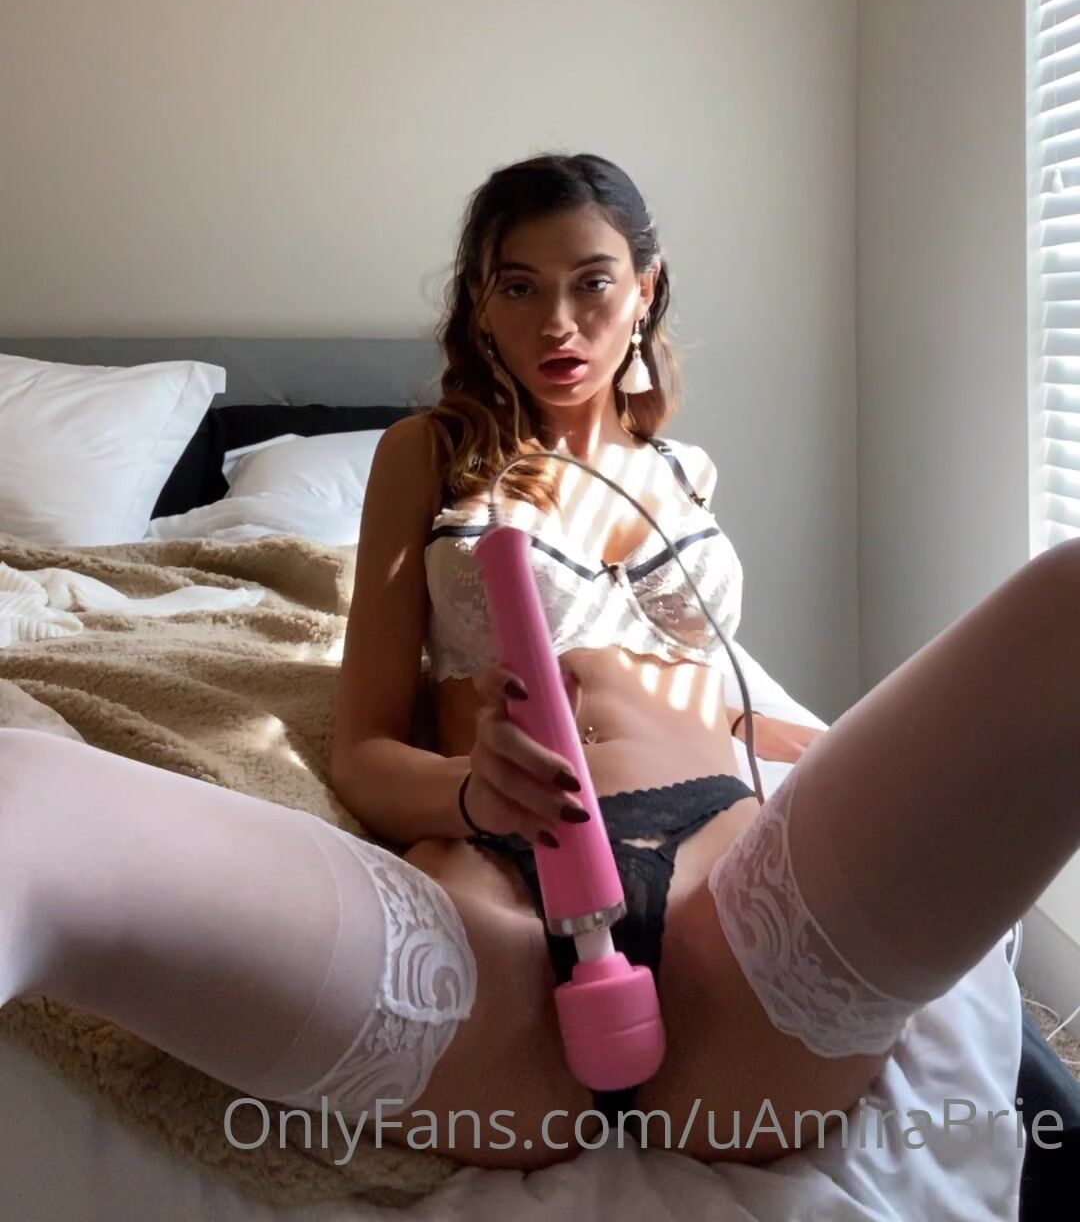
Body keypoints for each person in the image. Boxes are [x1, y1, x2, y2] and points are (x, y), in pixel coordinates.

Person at [1, 152, 1077, 1179]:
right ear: (481, 305)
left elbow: (710, 683)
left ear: (645, 289)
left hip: (731, 897)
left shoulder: (686, 471)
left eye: (591, 283)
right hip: (495, 905)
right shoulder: (425, 452)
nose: (556, 322)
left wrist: (800, 742)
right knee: (24, 789)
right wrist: (471, 795)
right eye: (518, 287)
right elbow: (365, 750)